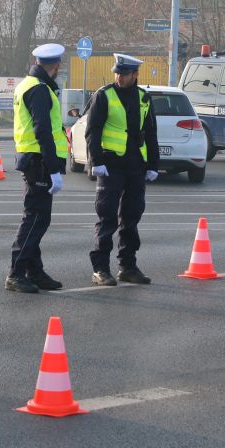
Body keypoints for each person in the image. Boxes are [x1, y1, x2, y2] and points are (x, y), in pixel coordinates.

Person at [84, 53, 160, 286]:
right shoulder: (104, 95)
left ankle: (128, 267)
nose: (119, 77)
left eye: (124, 74)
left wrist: (153, 165)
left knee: (132, 217)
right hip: (111, 166)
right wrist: (96, 161)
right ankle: (100, 269)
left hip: (136, 166)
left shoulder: (144, 97)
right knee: (107, 217)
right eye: (117, 73)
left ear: (135, 75)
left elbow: (151, 132)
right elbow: (93, 131)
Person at [5, 44, 69, 293]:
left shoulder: (27, 84)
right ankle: (16, 273)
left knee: (37, 217)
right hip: (39, 160)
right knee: (36, 219)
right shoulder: (40, 89)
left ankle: (35, 271)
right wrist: (53, 168)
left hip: (32, 158)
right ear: (56, 65)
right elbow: (42, 129)